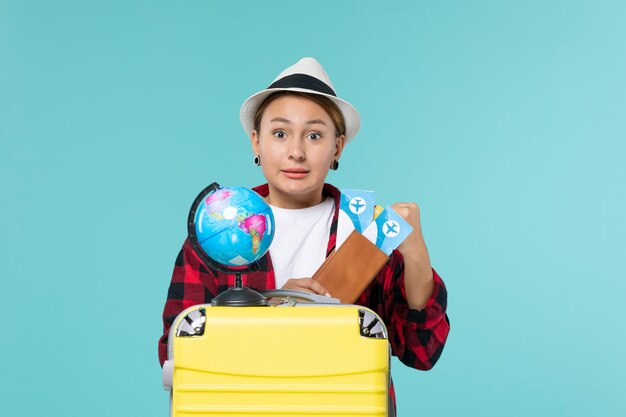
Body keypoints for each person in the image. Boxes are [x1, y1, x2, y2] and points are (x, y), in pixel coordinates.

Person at [158, 57, 450, 411]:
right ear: (256, 142)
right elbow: (179, 351)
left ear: (337, 147)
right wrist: (271, 304)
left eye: (314, 135)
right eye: (280, 133)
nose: (296, 151)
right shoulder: (218, 229)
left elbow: (422, 350)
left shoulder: (366, 232)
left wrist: (416, 253)